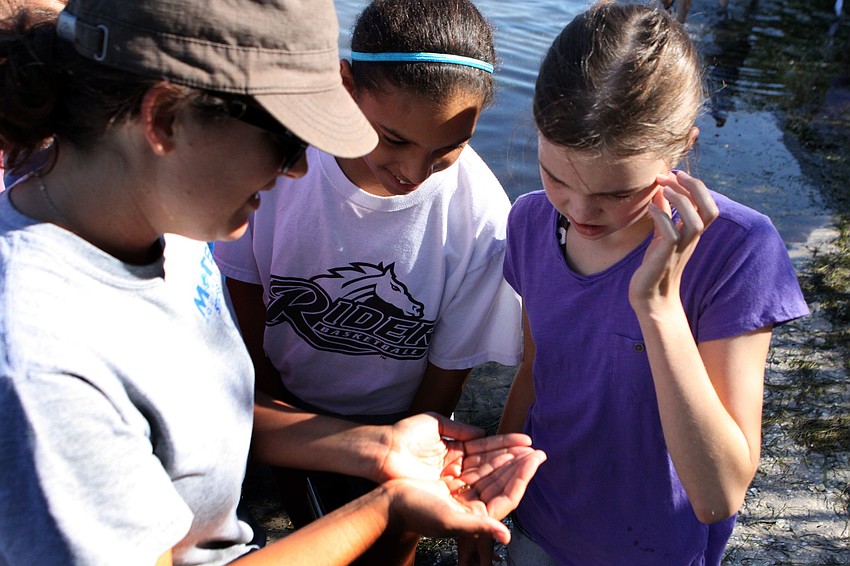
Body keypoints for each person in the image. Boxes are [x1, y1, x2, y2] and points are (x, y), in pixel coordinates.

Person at [0, 1, 546, 565]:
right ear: (165, 119)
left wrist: (377, 447)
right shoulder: (43, 367)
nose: (299, 169)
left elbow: (202, 416)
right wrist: (382, 510)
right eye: (286, 139)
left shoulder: (173, 231)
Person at [483, 1, 809, 565]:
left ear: (683, 145)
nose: (579, 211)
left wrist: (658, 305)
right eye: (556, 176)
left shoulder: (738, 252)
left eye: (617, 193)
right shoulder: (531, 221)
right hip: (536, 521)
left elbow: (718, 494)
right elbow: (537, 370)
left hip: (655, 548)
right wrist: (490, 499)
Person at [213, 0, 520, 560]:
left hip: (405, 420)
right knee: (302, 518)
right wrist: (286, 435)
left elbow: (445, 380)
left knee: (394, 543)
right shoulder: (279, 167)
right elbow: (246, 320)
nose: (414, 172)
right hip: (280, 404)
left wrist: (408, 470)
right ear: (346, 86)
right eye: (394, 139)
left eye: (446, 149)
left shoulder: (481, 218)